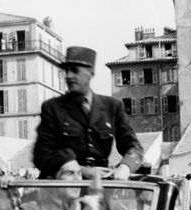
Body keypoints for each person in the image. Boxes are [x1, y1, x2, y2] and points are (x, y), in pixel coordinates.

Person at [33, 46, 143, 180]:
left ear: (91, 73)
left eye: (74, 71)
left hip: (99, 186)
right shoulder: (52, 108)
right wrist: (81, 171)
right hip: (62, 187)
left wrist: (125, 167)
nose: (68, 76)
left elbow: (134, 147)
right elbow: (41, 156)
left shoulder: (113, 107)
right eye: (66, 71)